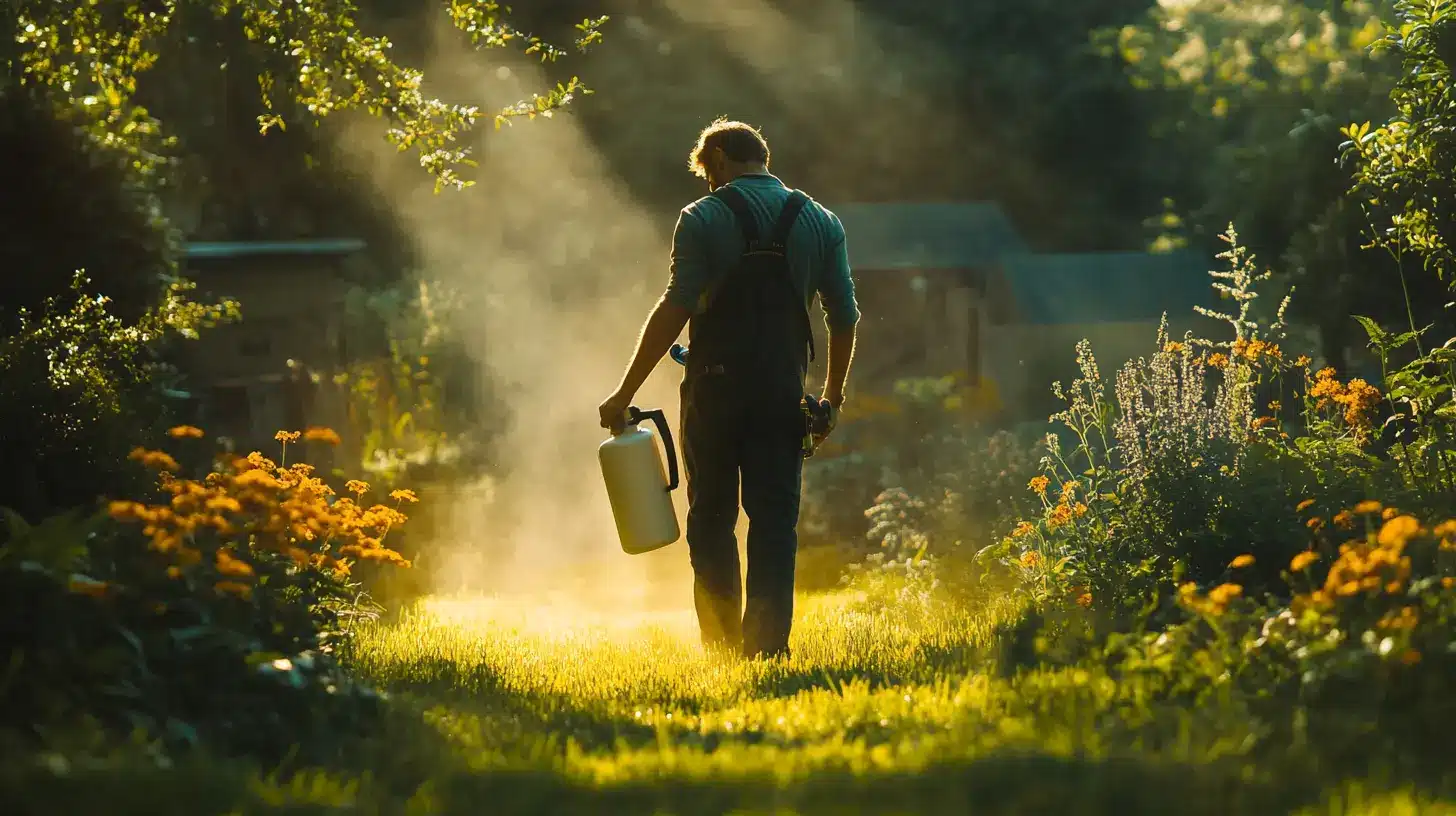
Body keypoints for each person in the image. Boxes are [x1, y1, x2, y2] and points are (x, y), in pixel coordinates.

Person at [597, 118, 860, 660]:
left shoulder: (703, 217)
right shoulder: (821, 221)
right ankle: (766, 650)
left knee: (712, 519)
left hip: (714, 394)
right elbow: (845, 317)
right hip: (782, 396)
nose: (708, 185)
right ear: (761, 157)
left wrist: (625, 392)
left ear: (716, 159)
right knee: (774, 523)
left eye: (707, 173)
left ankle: (720, 649)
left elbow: (676, 307)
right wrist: (830, 400)